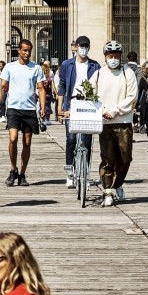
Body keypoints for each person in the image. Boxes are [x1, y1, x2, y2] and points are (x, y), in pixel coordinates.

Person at [89, 40, 138, 206]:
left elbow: (132, 96)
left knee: (125, 157)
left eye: (116, 55)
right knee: (107, 157)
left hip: (123, 120)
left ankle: (117, 184)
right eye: (110, 56)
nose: (113, 59)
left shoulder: (127, 73)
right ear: (105, 57)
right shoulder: (98, 74)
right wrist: (100, 110)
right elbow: (89, 93)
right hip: (105, 122)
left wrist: (114, 110)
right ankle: (107, 191)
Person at [0, 39, 46, 187]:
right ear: (18, 50)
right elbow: (2, 86)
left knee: (27, 142)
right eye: (24, 50)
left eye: (29, 50)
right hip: (14, 108)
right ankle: (13, 169)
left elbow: (41, 88)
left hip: (29, 109)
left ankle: (22, 174)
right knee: (13, 138)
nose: (27, 52)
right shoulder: (10, 67)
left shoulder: (36, 68)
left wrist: (42, 107)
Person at [56, 35, 101, 188]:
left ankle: (86, 172)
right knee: (70, 140)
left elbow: (100, 87)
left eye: (86, 46)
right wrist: (60, 108)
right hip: (70, 107)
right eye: (81, 45)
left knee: (87, 142)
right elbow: (62, 86)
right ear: (75, 47)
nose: (84, 48)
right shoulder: (66, 64)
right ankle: (70, 173)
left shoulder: (95, 65)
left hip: (88, 108)